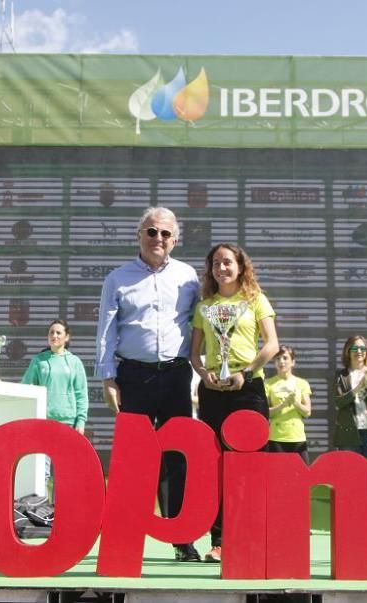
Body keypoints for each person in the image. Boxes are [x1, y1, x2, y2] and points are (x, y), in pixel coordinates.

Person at [94, 206, 202, 562]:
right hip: (133, 376)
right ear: (139, 234)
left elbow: (200, 328)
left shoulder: (189, 277)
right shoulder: (117, 278)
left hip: (175, 375)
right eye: (152, 232)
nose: (158, 239)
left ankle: (181, 539)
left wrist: (200, 375)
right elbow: (107, 330)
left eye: (166, 234)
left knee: (176, 458)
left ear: (176, 239)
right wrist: (108, 377)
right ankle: (124, 538)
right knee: (132, 458)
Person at [190, 243, 279, 562]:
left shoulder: (255, 300)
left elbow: (272, 345)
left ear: (241, 266)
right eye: (215, 263)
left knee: (250, 465)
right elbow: (194, 353)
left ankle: (256, 537)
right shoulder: (205, 306)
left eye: (227, 262)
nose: (221, 268)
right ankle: (220, 542)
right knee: (217, 467)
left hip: (248, 388)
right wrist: (204, 373)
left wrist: (247, 372)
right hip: (213, 390)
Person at [22, 319, 89, 494]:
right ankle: (40, 514)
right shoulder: (39, 361)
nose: (54, 336)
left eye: (59, 333)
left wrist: (80, 422)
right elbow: (27, 387)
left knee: (63, 473)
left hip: (67, 424)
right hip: (43, 423)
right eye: (51, 332)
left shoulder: (74, 362)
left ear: (67, 337)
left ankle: (61, 515)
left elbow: (81, 394)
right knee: (41, 473)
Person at [332, 335, 367, 460]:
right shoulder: (341, 375)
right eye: (354, 348)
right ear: (348, 351)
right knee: (351, 475)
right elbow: (339, 402)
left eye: (362, 348)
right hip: (349, 436)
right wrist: (357, 388)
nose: (359, 352)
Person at [264, 345, 312, 462]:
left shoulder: (302, 383)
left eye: (285, 358)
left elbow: (307, 412)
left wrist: (295, 403)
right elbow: (265, 412)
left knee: (303, 476)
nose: (281, 361)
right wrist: (283, 405)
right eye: (278, 359)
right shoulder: (268, 384)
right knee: (278, 476)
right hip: (276, 438)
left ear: (293, 362)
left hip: (297, 437)